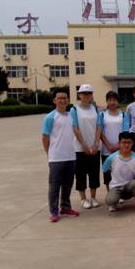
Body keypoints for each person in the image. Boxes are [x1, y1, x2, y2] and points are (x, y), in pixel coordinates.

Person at [41, 89, 80, 222]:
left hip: (70, 156)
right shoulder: (50, 117)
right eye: (59, 98)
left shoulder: (71, 116)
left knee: (68, 185)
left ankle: (65, 207)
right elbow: (45, 137)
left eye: (65, 98)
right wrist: (49, 153)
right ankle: (54, 211)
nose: (62, 100)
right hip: (56, 158)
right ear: (54, 100)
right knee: (54, 186)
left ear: (68, 100)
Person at [70, 84, 102, 210]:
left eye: (89, 93)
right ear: (79, 95)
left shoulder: (95, 109)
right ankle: (83, 199)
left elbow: (99, 126)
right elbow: (75, 128)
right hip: (80, 148)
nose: (86, 95)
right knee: (80, 173)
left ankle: (93, 197)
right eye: (84, 93)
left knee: (94, 173)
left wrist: (95, 144)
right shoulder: (74, 109)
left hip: (94, 147)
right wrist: (84, 145)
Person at [102, 132, 135, 214]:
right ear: (119, 143)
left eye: (129, 142)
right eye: (124, 142)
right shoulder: (112, 158)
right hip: (116, 187)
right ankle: (114, 203)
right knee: (109, 200)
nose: (126, 145)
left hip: (130, 187)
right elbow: (104, 170)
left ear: (132, 143)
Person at [99, 91, 129, 190]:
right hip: (106, 149)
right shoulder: (102, 115)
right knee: (108, 173)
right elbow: (100, 132)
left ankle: (120, 194)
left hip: (121, 149)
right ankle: (110, 194)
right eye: (110, 100)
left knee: (121, 172)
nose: (112, 102)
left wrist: (117, 146)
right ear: (107, 101)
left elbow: (125, 132)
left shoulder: (123, 115)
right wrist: (109, 145)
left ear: (117, 101)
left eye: (114, 100)